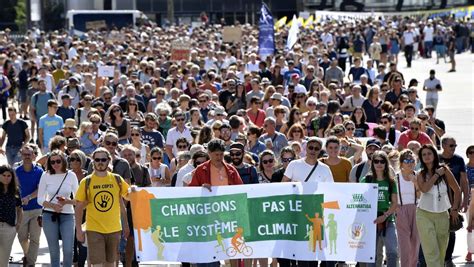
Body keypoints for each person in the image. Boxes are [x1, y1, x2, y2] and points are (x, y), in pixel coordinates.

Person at [188, 139, 243, 267]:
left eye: (221, 154)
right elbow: (191, 191)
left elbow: (240, 190)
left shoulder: (231, 170)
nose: (219, 157)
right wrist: (201, 188)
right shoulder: (201, 170)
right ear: (209, 153)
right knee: (209, 253)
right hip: (208, 218)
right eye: (216, 154)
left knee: (232, 249)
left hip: (228, 217)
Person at [75, 147, 130, 267]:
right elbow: (78, 207)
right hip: (94, 229)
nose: (100, 162)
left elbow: (128, 197)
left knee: (110, 263)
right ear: (93, 161)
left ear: (108, 160)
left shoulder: (117, 179)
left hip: (114, 229)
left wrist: (135, 191)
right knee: (97, 264)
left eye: (103, 159)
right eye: (97, 159)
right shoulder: (86, 182)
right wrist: (78, 229)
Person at [416, 144, 461, 267]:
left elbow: (457, 190)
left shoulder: (445, 170)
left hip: (443, 215)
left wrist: (455, 209)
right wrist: (436, 174)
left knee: (441, 253)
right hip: (424, 215)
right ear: (421, 158)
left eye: (429, 153)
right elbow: (424, 189)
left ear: (435, 155)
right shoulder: (420, 174)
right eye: (423, 154)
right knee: (431, 252)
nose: (427, 156)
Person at [37, 150, 78, 267]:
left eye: (58, 161)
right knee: (54, 251)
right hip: (49, 214)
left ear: (63, 161)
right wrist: (53, 206)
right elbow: (40, 199)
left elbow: (78, 199)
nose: (55, 164)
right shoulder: (45, 175)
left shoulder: (71, 175)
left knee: (68, 250)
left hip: (68, 215)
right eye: (52, 162)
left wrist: (66, 202)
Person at [360, 151, 399, 267]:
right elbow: (359, 200)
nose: (379, 164)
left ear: (386, 163)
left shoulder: (391, 182)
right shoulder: (366, 180)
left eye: (382, 161)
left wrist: (385, 216)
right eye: (376, 161)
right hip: (370, 221)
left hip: (387, 219)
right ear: (372, 163)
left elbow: (395, 203)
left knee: (392, 251)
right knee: (372, 254)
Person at [439, 136, 470, 266]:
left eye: (455, 146)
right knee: (439, 229)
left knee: (451, 229)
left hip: (454, 200)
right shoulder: (437, 159)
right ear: (443, 146)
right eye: (451, 145)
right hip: (438, 199)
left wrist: (465, 199)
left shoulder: (459, 159)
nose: (454, 148)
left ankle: (448, 258)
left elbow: (464, 180)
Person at [15, 145, 43, 267]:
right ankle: (28, 255)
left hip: (37, 209)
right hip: (21, 210)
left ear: (33, 155)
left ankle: (31, 263)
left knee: (35, 238)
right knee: (22, 237)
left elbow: (40, 189)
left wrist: (29, 197)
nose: (27, 156)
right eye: (24, 154)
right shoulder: (15, 171)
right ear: (21, 155)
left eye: (29, 154)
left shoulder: (39, 171)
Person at [395, 149, 420, 267]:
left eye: (412, 160)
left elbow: (421, 195)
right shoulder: (396, 177)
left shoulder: (418, 175)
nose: (409, 163)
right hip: (401, 209)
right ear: (401, 163)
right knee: (404, 243)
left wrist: (416, 183)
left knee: (415, 242)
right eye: (406, 160)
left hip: (416, 209)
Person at [0, 165, 23, 267]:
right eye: (3, 175)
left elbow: (19, 209)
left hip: (9, 227)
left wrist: (17, 225)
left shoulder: (15, 191)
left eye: (9, 175)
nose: (6, 177)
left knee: (4, 259)